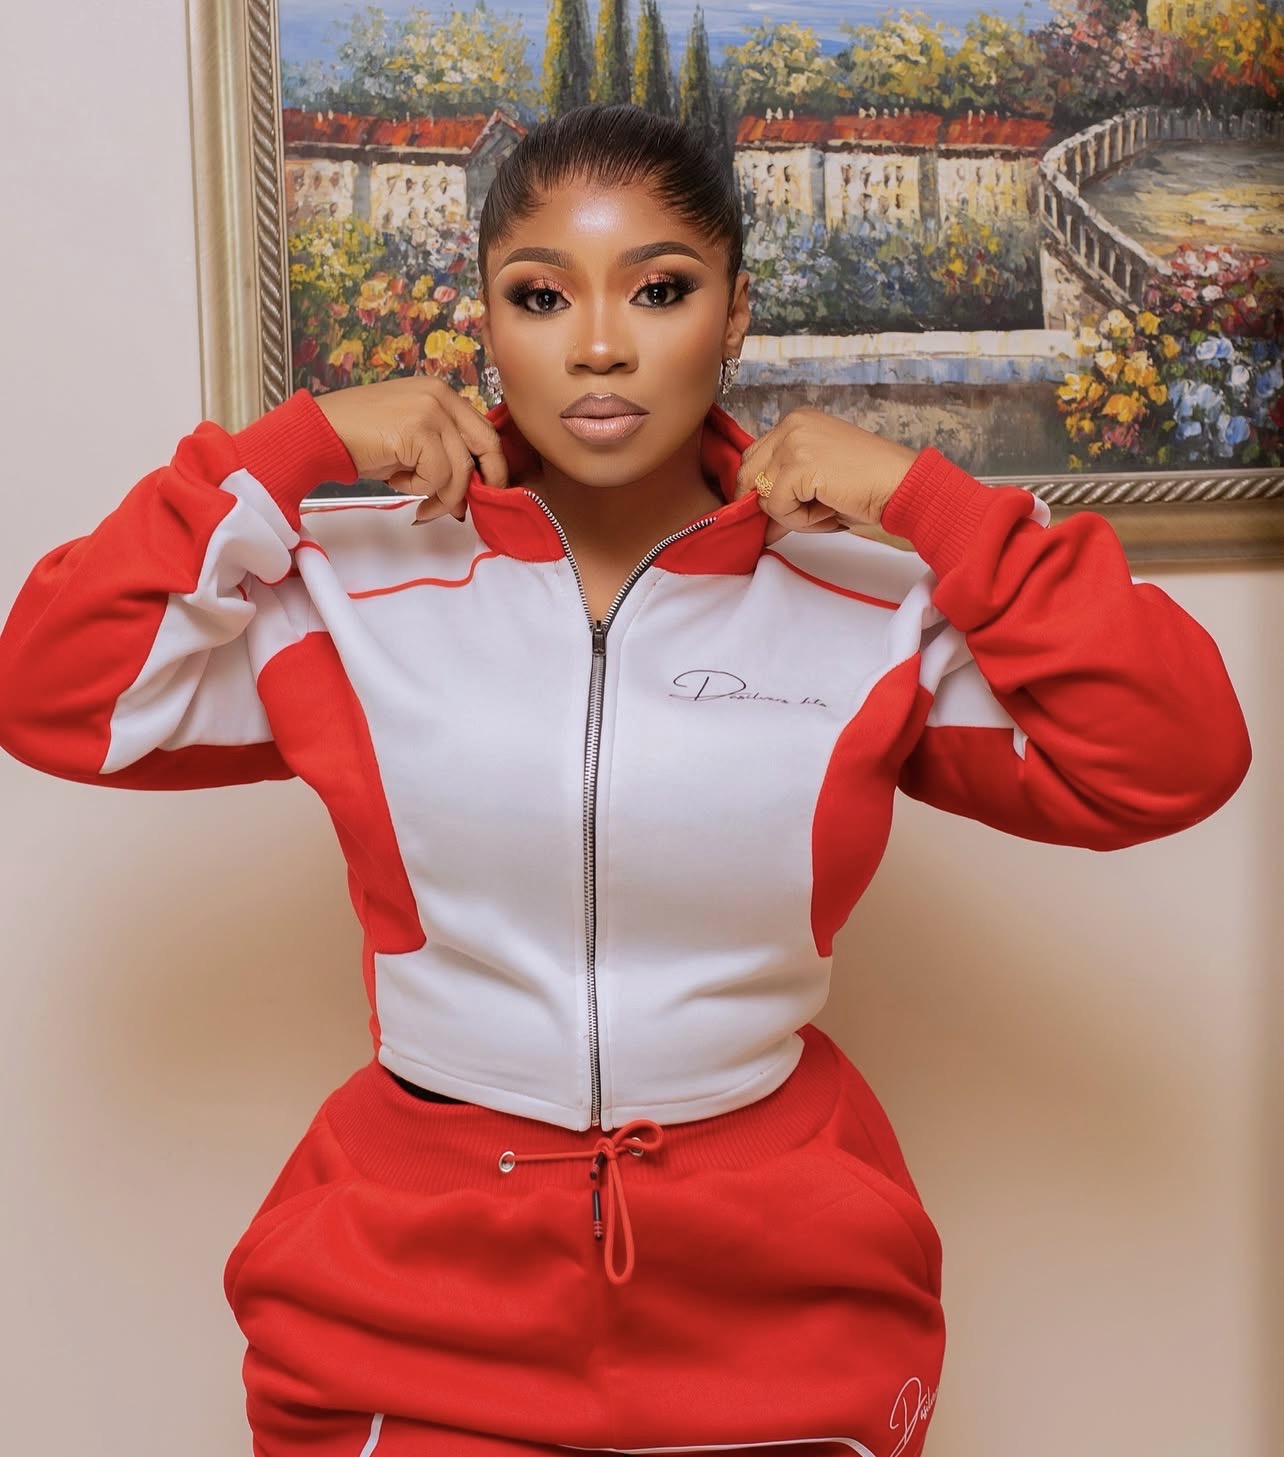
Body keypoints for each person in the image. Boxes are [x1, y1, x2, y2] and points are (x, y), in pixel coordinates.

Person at [0, 105, 1251, 1457]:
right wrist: (288, 450)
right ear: (486, 320)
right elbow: (49, 689)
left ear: (735, 311)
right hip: (409, 1304)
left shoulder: (872, 608)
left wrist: (928, 502)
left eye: (660, 289)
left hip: (782, 1310)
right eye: (541, 297)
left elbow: (1173, 754)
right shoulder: (346, 589)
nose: (599, 345)